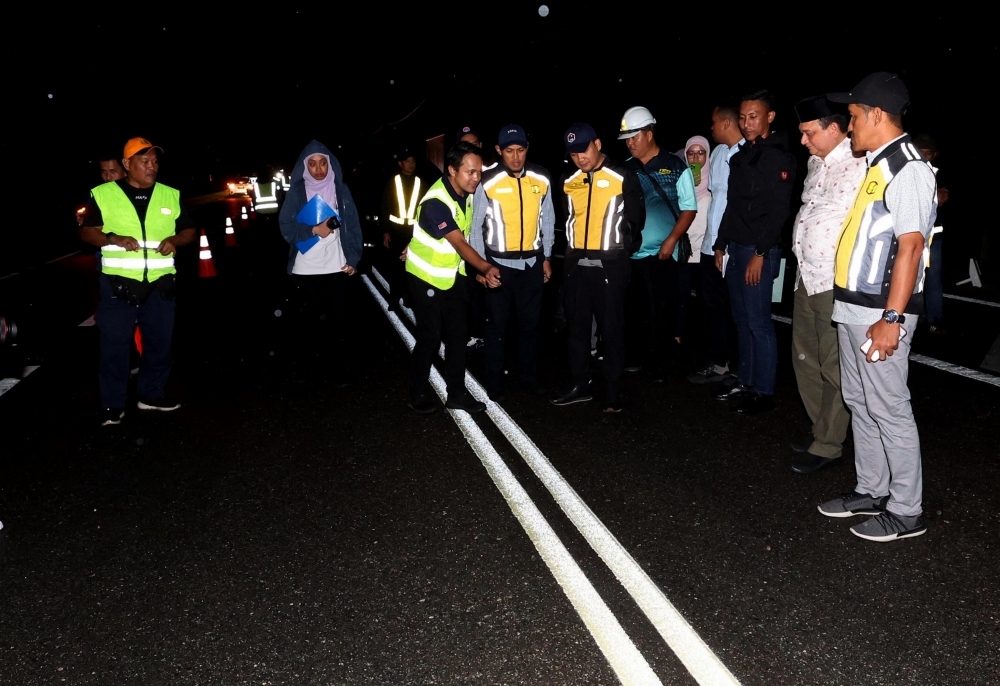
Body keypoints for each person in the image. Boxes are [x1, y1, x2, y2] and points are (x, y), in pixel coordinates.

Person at [818, 73, 936, 542]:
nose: (849, 128)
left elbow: (910, 247)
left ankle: (907, 510)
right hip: (854, 307)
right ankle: (872, 489)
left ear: (876, 115)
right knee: (860, 402)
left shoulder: (907, 168)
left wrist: (891, 319)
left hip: (879, 314)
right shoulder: (879, 164)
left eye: (852, 118)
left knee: (889, 408)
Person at [78, 137, 197, 426]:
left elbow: (189, 230)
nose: (152, 166)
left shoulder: (170, 194)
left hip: (160, 284)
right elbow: (86, 233)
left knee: (158, 345)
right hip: (119, 285)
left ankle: (151, 395)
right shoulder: (104, 194)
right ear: (127, 164)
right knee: (115, 347)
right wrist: (113, 238)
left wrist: (175, 240)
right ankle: (112, 406)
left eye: (155, 161)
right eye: (145, 161)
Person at [788, 96, 867, 474]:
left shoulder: (859, 164)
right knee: (805, 358)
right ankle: (821, 428)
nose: (803, 140)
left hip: (834, 280)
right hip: (806, 274)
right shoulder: (814, 163)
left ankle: (829, 444)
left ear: (833, 128)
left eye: (808, 133)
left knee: (834, 365)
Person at [712, 91, 797, 414]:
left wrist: (761, 252)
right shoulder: (741, 156)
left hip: (760, 250)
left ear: (769, 117)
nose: (747, 124)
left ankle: (764, 390)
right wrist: (721, 243)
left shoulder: (779, 157)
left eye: (754, 117)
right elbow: (732, 206)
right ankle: (745, 382)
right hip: (737, 246)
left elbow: (779, 210)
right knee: (742, 319)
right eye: (743, 117)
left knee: (759, 322)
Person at [551, 123, 645, 412]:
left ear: (598, 144)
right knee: (577, 331)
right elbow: (567, 220)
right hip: (577, 267)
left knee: (611, 329)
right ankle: (580, 385)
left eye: (584, 150)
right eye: (574, 153)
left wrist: (615, 254)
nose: (580, 158)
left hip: (609, 268)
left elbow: (636, 220)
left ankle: (612, 391)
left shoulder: (622, 175)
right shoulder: (568, 180)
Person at [405, 141, 501, 414]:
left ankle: (457, 395)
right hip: (425, 278)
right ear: (451, 170)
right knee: (430, 337)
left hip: (452, 275)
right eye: (470, 172)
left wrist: (475, 272)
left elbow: (469, 236)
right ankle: (416, 391)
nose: (476, 178)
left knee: (459, 336)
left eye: (478, 172)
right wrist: (484, 268)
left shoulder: (467, 193)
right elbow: (459, 242)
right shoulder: (436, 202)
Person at [469, 124, 554, 400]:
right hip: (499, 267)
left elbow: (549, 220)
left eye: (520, 150)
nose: (516, 157)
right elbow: (475, 227)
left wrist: (547, 257)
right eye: (509, 151)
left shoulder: (542, 178)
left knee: (530, 326)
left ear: (527, 149)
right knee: (497, 327)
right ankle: (493, 384)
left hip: (532, 264)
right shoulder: (488, 181)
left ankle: (528, 378)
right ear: (499, 151)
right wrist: (482, 267)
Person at [618, 106, 697, 383]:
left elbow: (689, 208)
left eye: (634, 136)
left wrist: (671, 241)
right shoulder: (625, 168)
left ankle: (661, 364)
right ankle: (637, 358)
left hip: (663, 253)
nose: (630, 142)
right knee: (634, 308)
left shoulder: (675, 166)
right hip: (632, 253)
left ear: (649, 134)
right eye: (626, 138)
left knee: (661, 310)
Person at [278, 140, 363, 384]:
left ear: (330, 164)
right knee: (309, 322)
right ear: (305, 167)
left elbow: (354, 225)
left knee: (337, 321)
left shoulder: (340, 189)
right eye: (312, 164)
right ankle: (311, 370)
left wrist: (354, 258)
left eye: (323, 163)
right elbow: (286, 227)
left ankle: (336, 369)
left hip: (336, 266)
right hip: (305, 268)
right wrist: (314, 230)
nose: (318, 169)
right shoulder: (297, 191)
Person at [689, 106, 743, 385]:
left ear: (725, 123)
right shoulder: (719, 153)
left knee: (738, 308)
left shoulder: (747, 153)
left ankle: (740, 366)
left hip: (733, 245)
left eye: (713, 123)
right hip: (712, 244)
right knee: (713, 307)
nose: (711, 128)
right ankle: (719, 361)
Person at [676, 136, 711, 345]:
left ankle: (704, 341)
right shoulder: (680, 180)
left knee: (707, 301)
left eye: (700, 153)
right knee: (680, 297)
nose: (696, 158)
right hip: (684, 251)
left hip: (705, 252)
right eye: (691, 153)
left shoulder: (714, 185)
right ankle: (677, 337)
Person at [912, 134, 949, 334]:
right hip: (910, 235)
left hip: (934, 236)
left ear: (934, 155)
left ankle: (934, 320)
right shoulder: (906, 170)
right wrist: (934, 195)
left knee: (933, 278)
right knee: (909, 277)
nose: (924, 157)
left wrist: (932, 196)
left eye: (927, 153)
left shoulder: (938, 173)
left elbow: (942, 199)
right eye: (920, 152)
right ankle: (912, 319)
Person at [380, 149, 426, 305]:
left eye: (413, 161)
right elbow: (385, 206)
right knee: (396, 265)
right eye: (407, 161)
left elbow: (424, 207)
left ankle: (409, 297)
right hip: (396, 231)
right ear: (400, 163)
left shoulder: (420, 182)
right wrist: (385, 231)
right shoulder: (393, 181)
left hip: (414, 232)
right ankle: (394, 296)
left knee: (412, 265)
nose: (411, 164)